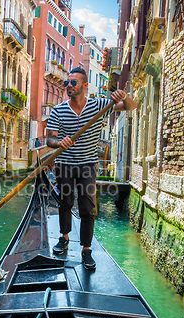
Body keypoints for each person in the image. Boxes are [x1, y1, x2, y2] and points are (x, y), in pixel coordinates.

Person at [46, 67, 135, 270]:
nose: (68, 85)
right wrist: (59, 142)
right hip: (65, 165)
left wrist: (124, 95)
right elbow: (50, 139)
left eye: (73, 82)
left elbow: (131, 106)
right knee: (65, 203)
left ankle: (86, 249)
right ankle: (65, 237)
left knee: (87, 209)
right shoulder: (58, 110)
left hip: (87, 166)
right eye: (67, 82)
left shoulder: (100, 105)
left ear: (85, 86)